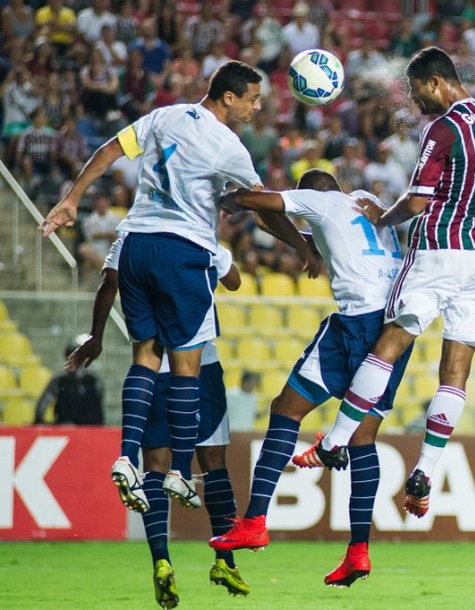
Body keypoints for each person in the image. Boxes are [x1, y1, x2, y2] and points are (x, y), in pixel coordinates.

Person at [40, 61, 318, 515]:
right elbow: (262, 209)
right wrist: (302, 244)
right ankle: (178, 472)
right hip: (182, 251)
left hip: (136, 246)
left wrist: (71, 198)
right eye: (253, 98)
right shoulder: (229, 145)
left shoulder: (164, 116)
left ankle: (127, 459)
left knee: (145, 356)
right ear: (228, 97)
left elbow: (110, 149)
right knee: (186, 366)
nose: (257, 107)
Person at [284, 47, 475, 519]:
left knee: (389, 342)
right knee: (456, 372)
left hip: (442, 249)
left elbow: (416, 201)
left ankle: (334, 441)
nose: (417, 104)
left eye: (418, 93)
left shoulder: (444, 127)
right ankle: (427, 470)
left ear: (436, 83)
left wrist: (383, 218)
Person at [209, 169, 413, 587]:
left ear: (309, 195)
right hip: (398, 327)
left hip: (357, 324)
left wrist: (231, 197)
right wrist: (306, 245)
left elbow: (261, 205)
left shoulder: (323, 202)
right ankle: (358, 551)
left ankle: (254, 520)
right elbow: (292, 225)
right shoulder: (364, 202)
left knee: (286, 409)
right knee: (362, 440)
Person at [67, 235, 251, 605]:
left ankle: (162, 561)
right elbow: (234, 281)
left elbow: (108, 282)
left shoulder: (131, 235)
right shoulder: (199, 234)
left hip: (151, 371)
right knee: (214, 466)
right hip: (200, 367)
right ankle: (224, 559)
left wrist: (96, 336)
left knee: (154, 467)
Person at [33, 336, 105, 425]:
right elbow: (42, 407)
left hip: (88, 428)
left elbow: (41, 408)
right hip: (68, 427)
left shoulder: (94, 381)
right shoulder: (59, 380)